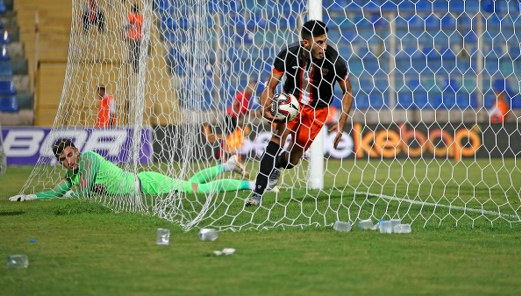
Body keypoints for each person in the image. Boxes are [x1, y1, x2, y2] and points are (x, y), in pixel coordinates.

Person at [246, 20, 353, 207]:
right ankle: (257, 193)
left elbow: (348, 92)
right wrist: (265, 105)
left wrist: (342, 122)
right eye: (319, 42)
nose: (324, 46)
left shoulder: (334, 61)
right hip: (291, 103)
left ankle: (277, 166)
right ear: (306, 43)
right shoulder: (288, 55)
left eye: (325, 41)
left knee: (293, 159)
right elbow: (270, 86)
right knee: (276, 138)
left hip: (317, 110)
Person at [9, 138, 253, 202]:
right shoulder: (74, 173)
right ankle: (228, 165)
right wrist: (29, 196)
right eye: (63, 159)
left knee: (198, 191)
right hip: (145, 186)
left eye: (70, 154)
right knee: (191, 183)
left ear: (77, 150)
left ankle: (251, 185)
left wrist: (71, 191)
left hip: (147, 185)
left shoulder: (90, 160)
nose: (69, 160)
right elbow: (56, 192)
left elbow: (81, 193)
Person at [126, 5, 143, 73]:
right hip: (139, 38)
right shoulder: (141, 17)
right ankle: (137, 69)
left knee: (133, 53)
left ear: (132, 10)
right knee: (137, 54)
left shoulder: (129, 16)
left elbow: (125, 25)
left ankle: (134, 68)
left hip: (132, 38)